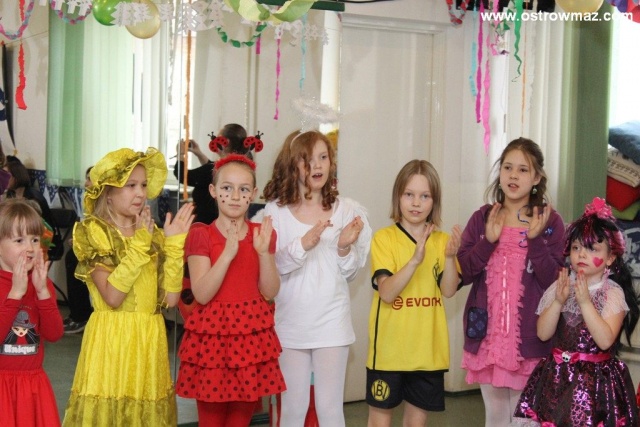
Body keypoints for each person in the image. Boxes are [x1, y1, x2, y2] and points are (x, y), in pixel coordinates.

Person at [62, 148, 194, 426]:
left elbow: (170, 300)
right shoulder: (95, 232)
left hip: (148, 340)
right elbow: (112, 296)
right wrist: (139, 247)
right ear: (108, 192)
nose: (140, 193)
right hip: (112, 340)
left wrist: (173, 247)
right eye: (130, 185)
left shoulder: (151, 235)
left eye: (144, 185)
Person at [262, 129, 372, 426]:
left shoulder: (346, 210)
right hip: (291, 324)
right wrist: (302, 244)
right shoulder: (275, 212)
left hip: (331, 323)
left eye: (323, 157)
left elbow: (350, 272)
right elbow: (270, 268)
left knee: (330, 409)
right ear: (293, 165)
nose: (317, 166)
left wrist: (344, 246)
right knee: (293, 409)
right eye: (307, 160)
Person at [457, 137, 565, 427]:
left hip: (530, 340)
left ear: (537, 178)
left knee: (524, 419)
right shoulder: (483, 218)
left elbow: (555, 282)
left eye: (523, 169)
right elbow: (464, 272)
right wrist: (488, 242)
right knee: (494, 417)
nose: (513, 176)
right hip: (487, 338)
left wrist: (535, 241)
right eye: (507, 167)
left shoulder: (550, 221)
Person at [175, 154, 285, 426]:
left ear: (253, 194)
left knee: (240, 420)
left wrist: (263, 254)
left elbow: (270, 291)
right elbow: (202, 294)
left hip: (248, 342)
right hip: (212, 342)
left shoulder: (262, 233)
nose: (235, 196)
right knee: (211, 421)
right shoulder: (201, 234)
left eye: (243, 189)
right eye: (227, 188)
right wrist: (226, 255)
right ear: (213, 191)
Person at [513, 197, 640, 426]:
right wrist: (558, 301)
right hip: (557, 379)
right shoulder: (561, 286)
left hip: (595, 386)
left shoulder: (612, 293)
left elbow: (605, 340)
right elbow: (543, 333)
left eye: (592, 249)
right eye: (576, 247)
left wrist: (585, 303)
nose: (581, 254)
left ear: (610, 258)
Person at [366, 159, 462, 426]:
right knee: (379, 422)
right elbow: (387, 293)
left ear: (434, 201)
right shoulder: (384, 238)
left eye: (424, 196)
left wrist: (450, 258)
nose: (416, 203)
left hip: (427, 355)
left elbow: (449, 290)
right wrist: (414, 261)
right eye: (409, 194)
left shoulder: (442, 242)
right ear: (398, 197)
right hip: (388, 354)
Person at [0, 198, 64, 426]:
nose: (29, 248)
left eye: (35, 240)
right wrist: (15, 294)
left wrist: (42, 292)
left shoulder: (40, 284)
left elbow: (54, 334)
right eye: (19, 240)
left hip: (33, 386)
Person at [173, 124, 253, 225]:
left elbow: (182, 176)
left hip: (207, 224)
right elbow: (209, 169)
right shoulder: (239, 166)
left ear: (225, 142)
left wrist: (180, 154)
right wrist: (199, 153)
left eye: (217, 138)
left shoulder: (217, 170)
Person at [63, 166, 94, 334]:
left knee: (75, 259)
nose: (86, 183)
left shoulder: (106, 201)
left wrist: (81, 242)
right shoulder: (87, 199)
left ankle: (81, 315)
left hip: (101, 249)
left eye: (90, 179)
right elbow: (84, 226)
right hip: (88, 244)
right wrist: (77, 239)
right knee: (71, 257)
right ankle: (76, 313)